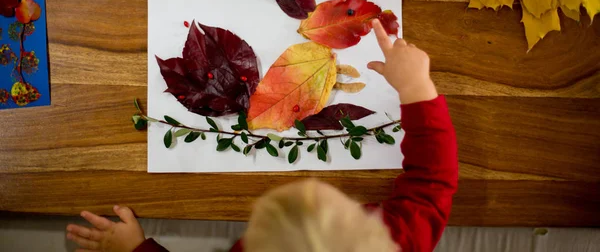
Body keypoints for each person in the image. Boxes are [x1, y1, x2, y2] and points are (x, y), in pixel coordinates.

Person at [66, 19, 458, 252]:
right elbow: (432, 186)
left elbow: (431, 187)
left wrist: (137, 248)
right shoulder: (395, 242)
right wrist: (416, 89)